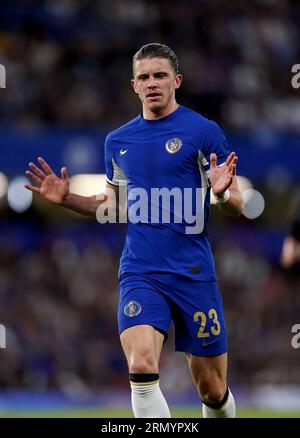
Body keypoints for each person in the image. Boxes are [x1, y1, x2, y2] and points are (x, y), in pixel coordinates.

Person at [25, 43, 244, 418]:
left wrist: (222, 195)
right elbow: (114, 205)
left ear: (177, 81)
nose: (152, 83)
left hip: (193, 272)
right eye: (144, 77)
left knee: (212, 390)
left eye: (160, 75)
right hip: (141, 271)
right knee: (142, 365)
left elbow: (237, 202)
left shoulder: (203, 132)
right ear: (133, 85)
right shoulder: (118, 141)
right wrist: (67, 199)